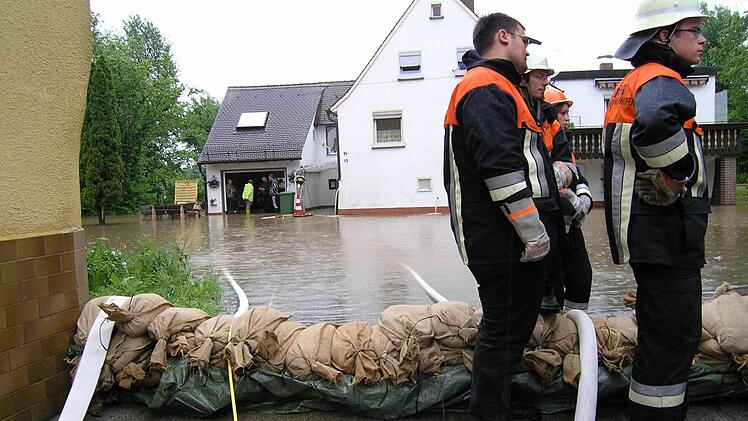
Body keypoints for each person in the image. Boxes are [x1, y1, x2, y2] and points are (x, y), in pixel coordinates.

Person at [443, 13, 557, 421]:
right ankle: (489, 413)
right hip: (499, 239)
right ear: (504, 37)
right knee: (503, 328)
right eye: (526, 40)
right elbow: (502, 171)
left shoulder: (497, 87)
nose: (529, 49)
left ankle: (497, 403)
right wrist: (533, 234)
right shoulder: (486, 88)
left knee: (508, 327)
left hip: (502, 236)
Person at [603, 1, 708, 419]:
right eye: (694, 31)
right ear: (664, 37)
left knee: (661, 335)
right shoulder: (662, 80)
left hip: (650, 234)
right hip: (666, 234)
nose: (702, 40)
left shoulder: (637, 79)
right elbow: (655, 125)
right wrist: (677, 176)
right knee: (672, 338)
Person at [544, 86, 593, 311]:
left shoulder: (562, 140)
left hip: (570, 225)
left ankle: (574, 324)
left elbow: (576, 175)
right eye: (562, 112)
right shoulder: (536, 134)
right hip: (549, 225)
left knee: (581, 276)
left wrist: (584, 199)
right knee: (552, 281)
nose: (567, 118)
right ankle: (555, 326)